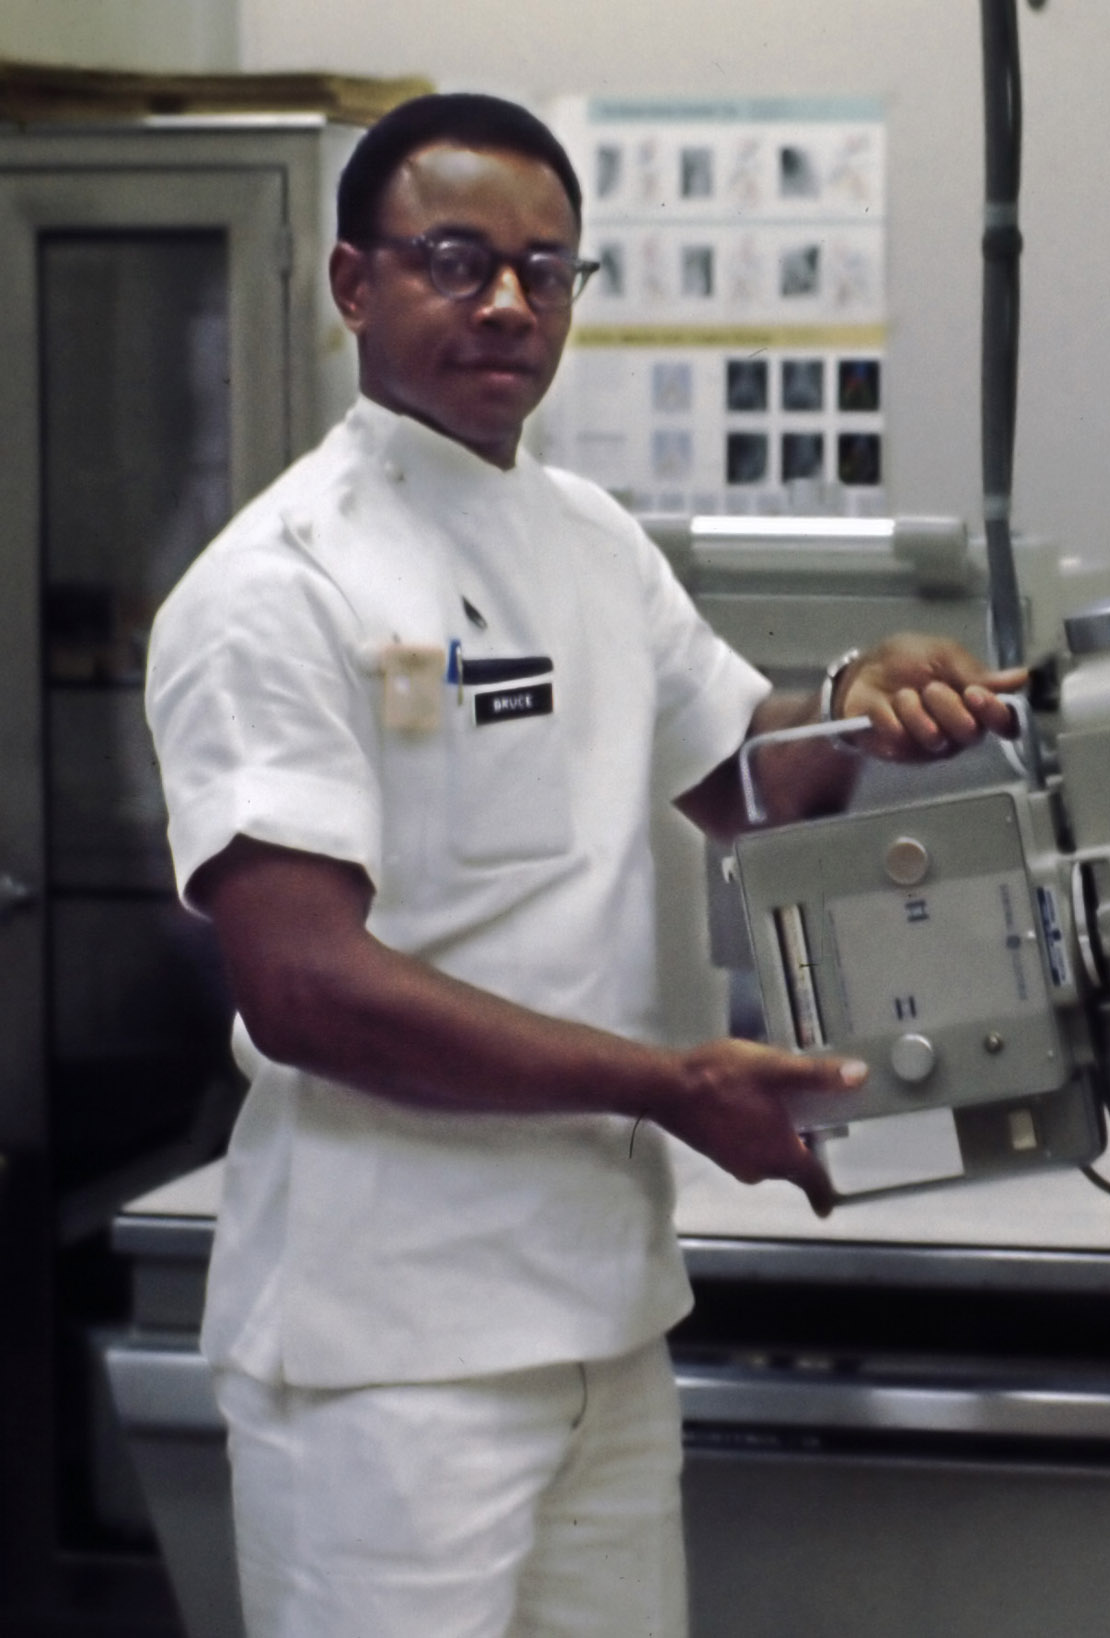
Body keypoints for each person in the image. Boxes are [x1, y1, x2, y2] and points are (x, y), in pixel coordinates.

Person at [145, 92, 1023, 1638]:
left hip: (603, 1320)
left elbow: (745, 776)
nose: (508, 302)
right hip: (389, 1357)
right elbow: (304, 987)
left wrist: (864, 697)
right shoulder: (277, 587)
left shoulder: (591, 538)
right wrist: (670, 1084)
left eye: (546, 271)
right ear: (354, 283)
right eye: (456, 260)